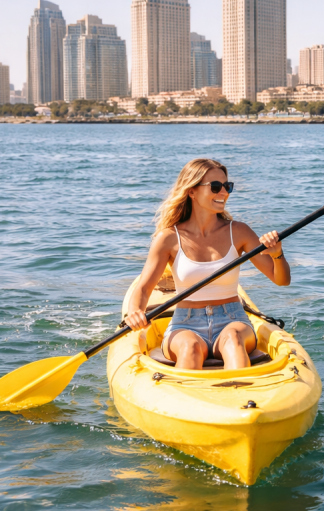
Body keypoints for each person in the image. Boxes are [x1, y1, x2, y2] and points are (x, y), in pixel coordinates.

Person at [123, 158, 291, 370]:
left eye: (227, 186)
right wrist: (135, 312)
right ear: (192, 191)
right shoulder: (168, 238)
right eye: (215, 186)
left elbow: (281, 280)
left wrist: (277, 254)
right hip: (185, 322)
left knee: (232, 340)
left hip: (233, 319)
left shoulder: (239, 232)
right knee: (190, 347)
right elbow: (144, 288)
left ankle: (243, 397)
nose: (224, 192)